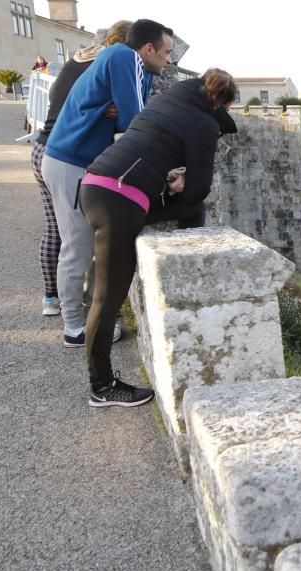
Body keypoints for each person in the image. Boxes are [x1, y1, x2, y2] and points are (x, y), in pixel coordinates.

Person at [79, 68, 238, 407]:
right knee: (108, 301)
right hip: (118, 200)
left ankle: (95, 284)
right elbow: (198, 190)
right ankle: (102, 387)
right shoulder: (204, 122)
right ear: (222, 103)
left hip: (96, 184)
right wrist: (183, 180)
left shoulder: (168, 100)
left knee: (107, 275)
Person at [42, 18, 173, 347]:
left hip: (79, 162)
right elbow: (135, 122)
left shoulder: (136, 69)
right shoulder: (123, 57)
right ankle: (74, 329)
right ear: (147, 49)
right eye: (167, 52)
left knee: (86, 245)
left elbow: (133, 117)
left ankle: (87, 318)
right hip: (70, 161)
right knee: (78, 247)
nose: (170, 60)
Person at [31, 21, 131, 316]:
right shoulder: (108, 64)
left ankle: (52, 298)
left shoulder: (82, 56)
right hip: (66, 153)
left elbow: (60, 98)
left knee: (56, 229)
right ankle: (75, 314)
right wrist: (104, 109)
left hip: (42, 149)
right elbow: (122, 113)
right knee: (77, 239)